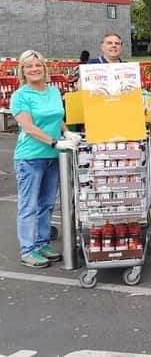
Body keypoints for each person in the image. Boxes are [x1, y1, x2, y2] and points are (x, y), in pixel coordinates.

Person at [10, 50, 81, 268]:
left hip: (53, 157)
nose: (34, 69)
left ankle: (42, 243)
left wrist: (66, 132)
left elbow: (56, 115)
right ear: (23, 70)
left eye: (37, 65)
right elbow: (29, 127)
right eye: (29, 66)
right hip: (30, 157)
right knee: (29, 205)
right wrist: (54, 141)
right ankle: (28, 249)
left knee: (47, 204)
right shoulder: (20, 96)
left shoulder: (52, 91)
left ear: (44, 68)